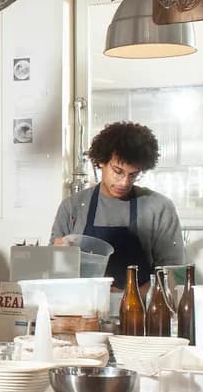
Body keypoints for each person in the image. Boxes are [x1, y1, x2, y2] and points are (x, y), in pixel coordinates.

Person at [51, 121, 184, 287]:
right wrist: (58, 255)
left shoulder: (159, 208)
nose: (124, 182)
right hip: (85, 307)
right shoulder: (73, 207)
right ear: (101, 162)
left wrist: (127, 299)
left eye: (133, 175)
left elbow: (171, 274)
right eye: (118, 171)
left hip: (141, 308)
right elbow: (54, 273)